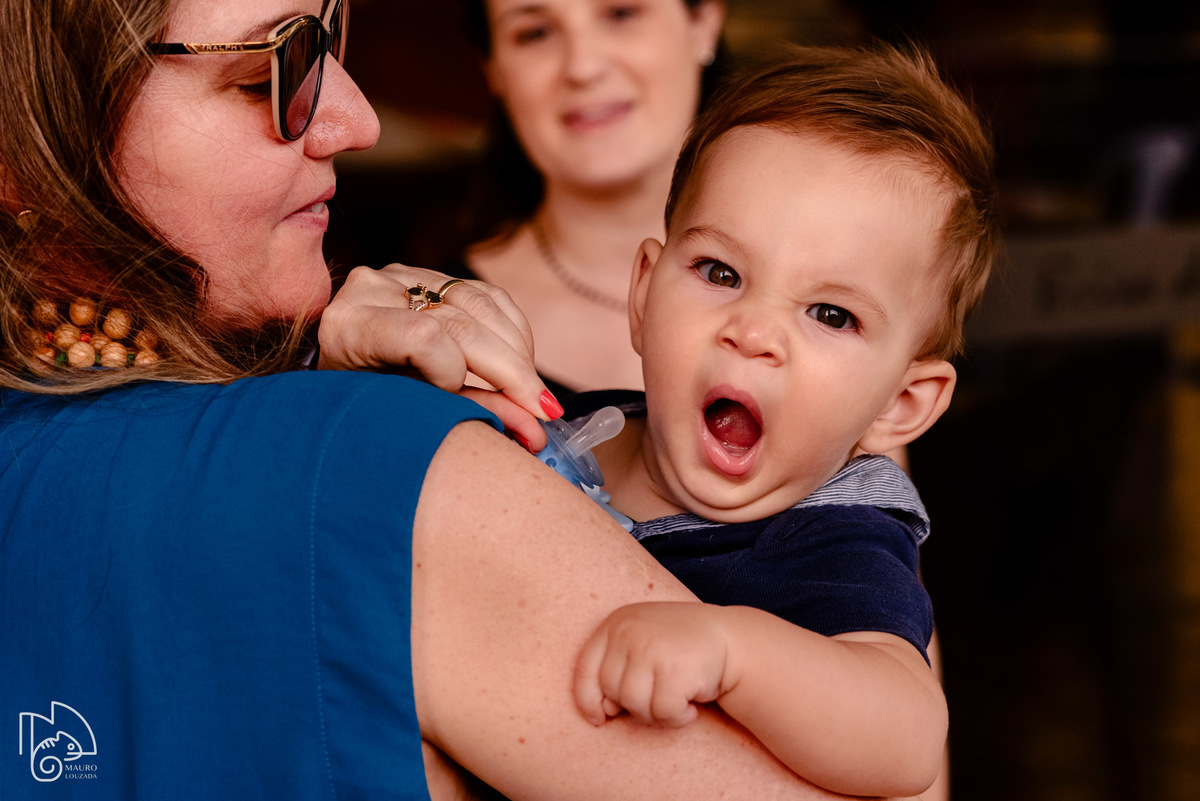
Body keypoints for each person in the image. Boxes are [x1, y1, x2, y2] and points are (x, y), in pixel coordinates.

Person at [0, 1, 886, 799]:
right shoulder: (385, 464)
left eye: (331, 28)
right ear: (21, 147)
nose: (356, 119)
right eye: (269, 66)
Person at [563, 44, 997, 799]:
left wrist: (735, 650)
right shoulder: (571, 426)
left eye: (832, 314)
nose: (753, 331)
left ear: (903, 403)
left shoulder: (832, 542)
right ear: (643, 294)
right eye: (720, 273)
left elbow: (907, 737)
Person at [445, 0, 726, 394]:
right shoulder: (438, 331)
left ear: (704, 22)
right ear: (494, 70)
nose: (583, 67)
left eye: (620, 14)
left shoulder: (829, 284)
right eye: (535, 33)